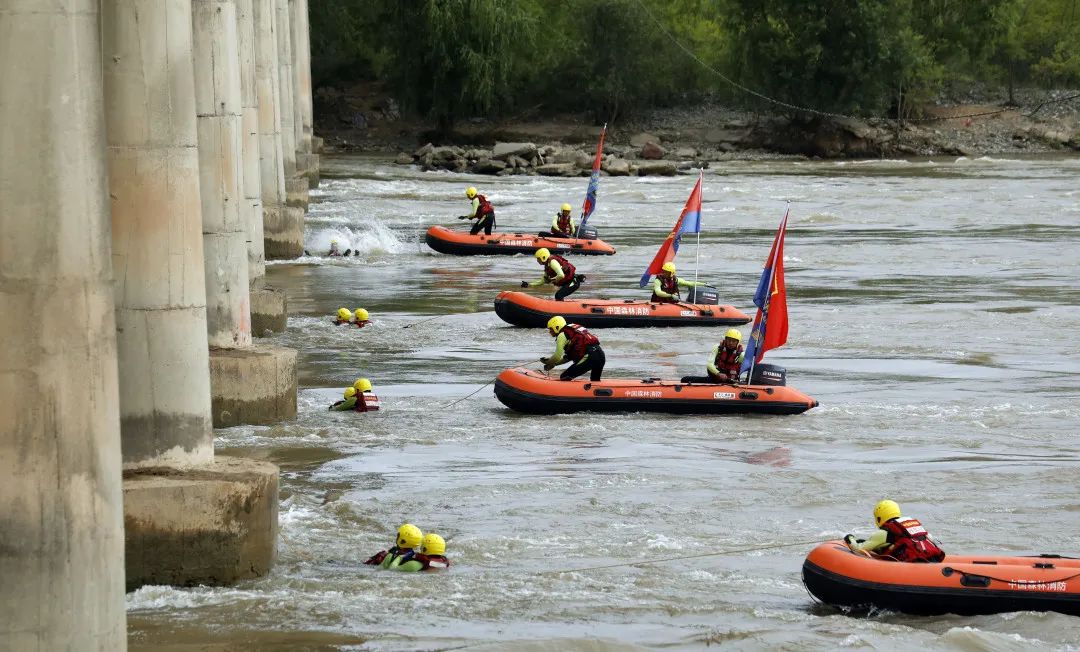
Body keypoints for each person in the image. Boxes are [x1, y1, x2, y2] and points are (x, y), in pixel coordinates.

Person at [845, 500, 946, 563]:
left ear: (879, 517)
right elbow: (930, 539)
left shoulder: (883, 533)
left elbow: (857, 549)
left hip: (915, 566)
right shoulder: (912, 526)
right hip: (933, 561)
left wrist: (849, 537)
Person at [542, 316, 605, 381]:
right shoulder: (573, 331)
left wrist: (548, 362)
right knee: (595, 380)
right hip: (601, 355)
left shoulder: (561, 335)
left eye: (551, 329)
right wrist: (554, 364)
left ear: (557, 327)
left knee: (564, 376)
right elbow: (569, 357)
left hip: (590, 357)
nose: (550, 332)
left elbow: (557, 356)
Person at [680, 329, 745, 384]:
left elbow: (748, 368)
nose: (730, 343)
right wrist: (718, 374)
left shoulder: (741, 355)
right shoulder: (717, 348)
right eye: (729, 340)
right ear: (725, 339)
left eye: (734, 341)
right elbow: (709, 364)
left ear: (738, 342)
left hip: (731, 382)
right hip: (715, 379)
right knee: (685, 379)